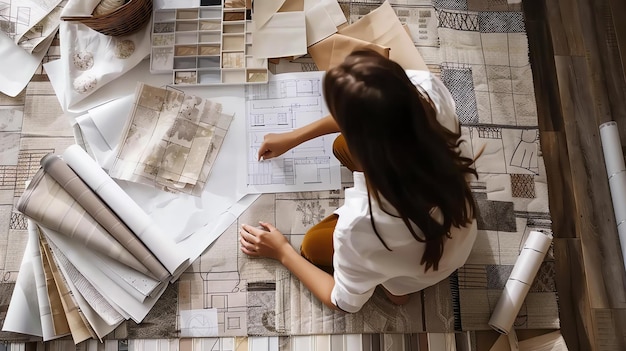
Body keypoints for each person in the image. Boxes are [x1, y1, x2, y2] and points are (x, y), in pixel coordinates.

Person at [239, 50, 479, 313]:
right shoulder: (427, 88)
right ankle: (399, 281)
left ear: (368, 151)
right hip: (458, 235)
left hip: (422, 265)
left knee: (311, 246)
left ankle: (397, 288)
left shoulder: (362, 226)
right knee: (340, 146)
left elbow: (343, 302)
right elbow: (371, 112)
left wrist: (283, 252)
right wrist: (294, 136)